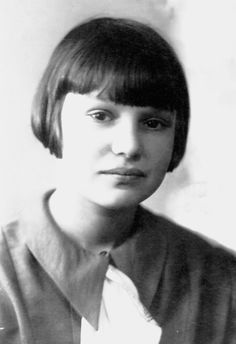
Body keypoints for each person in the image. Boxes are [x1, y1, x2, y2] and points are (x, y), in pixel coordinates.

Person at [0, 16, 235, 344]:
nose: (130, 146)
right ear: (53, 119)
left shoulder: (221, 279)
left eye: (153, 123)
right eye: (101, 116)